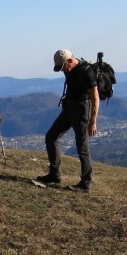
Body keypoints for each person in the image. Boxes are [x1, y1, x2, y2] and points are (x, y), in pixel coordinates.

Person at [36, 49, 99, 192]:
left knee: (82, 147)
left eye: (64, 66)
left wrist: (93, 121)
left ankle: (86, 183)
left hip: (83, 109)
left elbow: (95, 97)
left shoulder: (86, 70)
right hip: (69, 108)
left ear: (70, 60)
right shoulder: (68, 69)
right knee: (51, 136)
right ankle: (54, 174)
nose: (64, 70)